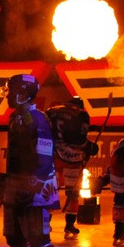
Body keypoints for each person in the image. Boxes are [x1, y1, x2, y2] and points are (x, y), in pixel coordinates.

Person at [0, 73, 63, 247]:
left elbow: (44, 159)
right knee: (14, 237)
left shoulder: (39, 119)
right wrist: (8, 182)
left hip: (36, 191)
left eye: (10, 89)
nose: (7, 94)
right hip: (17, 187)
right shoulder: (16, 118)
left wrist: (32, 186)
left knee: (39, 240)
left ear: (23, 93)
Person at [46, 96, 97, 239]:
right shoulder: (81, 114)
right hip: (73, 159)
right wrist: (90, 146)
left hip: (53, 156)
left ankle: (45, 222)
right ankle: (69, 225)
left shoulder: (51, 111)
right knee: (73, 193)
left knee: (50, 190)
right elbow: (79, 139)